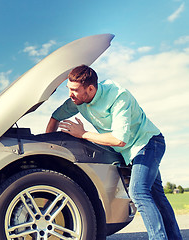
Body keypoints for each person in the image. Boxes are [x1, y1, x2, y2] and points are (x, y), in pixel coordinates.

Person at [45, 65, 182, 240]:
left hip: (148, 143)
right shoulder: (78, 101)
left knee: (138, 192)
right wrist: (49, 148)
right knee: (157, 197)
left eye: (74, 90)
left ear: (91, 89)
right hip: (130, 152)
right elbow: (56, 116)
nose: (70, 94)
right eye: (69, 89)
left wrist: (83, 134)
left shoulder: (118, 96)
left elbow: (119, 139)